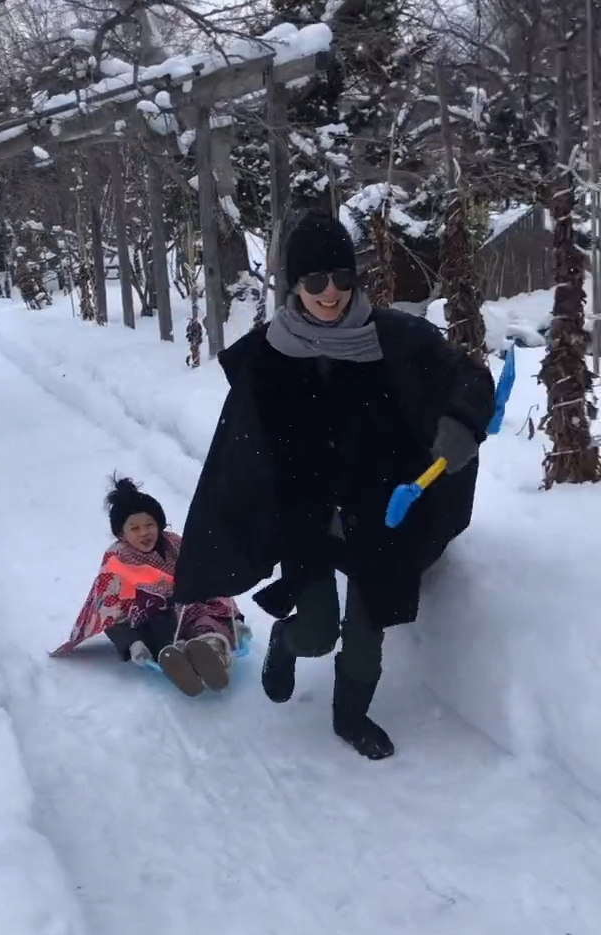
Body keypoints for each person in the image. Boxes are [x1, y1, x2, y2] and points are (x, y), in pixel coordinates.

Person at [173, 209, 495, 757]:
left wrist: (461, 424)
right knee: (320, 632)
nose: (331, 292)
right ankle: (285, 641)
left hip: (381, 515)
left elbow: (469, 376)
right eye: (315, 280)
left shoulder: (394, 338)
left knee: (367, 636)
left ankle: (350, 719)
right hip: (311, 520)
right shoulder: (269, 355)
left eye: (342, 279)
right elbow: (245, 448)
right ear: (296, 285)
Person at [51, 476, 247, 697]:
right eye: (134, 528)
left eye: (149, 525)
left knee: (204, 615)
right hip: (151, 618)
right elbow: (107, 608)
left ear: (159, 525)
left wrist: (235, 617)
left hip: (186, 606)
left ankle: (212, 651)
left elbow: (203, 574)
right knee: (155, 624)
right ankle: (177, 657)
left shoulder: (173, 543)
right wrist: (132, 643)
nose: (144, 533)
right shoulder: (117, 559)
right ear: (121, 533)